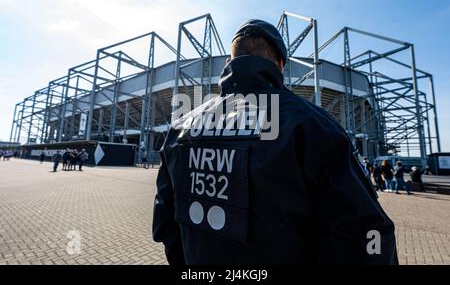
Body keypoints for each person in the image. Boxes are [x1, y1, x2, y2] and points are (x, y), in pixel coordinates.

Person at [152, 19, 398, 265]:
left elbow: (165, 223)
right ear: (280, 65)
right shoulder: (313, 127)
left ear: (229, 63)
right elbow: (367, 233)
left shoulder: (181, 129)